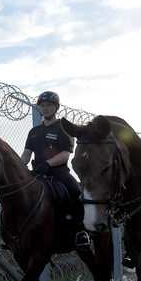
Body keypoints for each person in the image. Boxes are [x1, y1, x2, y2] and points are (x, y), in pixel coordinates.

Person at [20, 91, 90, 247]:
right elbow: (26, 154)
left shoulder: (63, 128)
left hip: (58, 173)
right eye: (42, 106)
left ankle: (81, 232)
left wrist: (47, 164)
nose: (45, 108)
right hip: (37, 173)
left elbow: (66, 154)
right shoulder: (34, 132)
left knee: (75, 193)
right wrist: (18, 168)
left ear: (56, 108)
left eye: (48, 105)